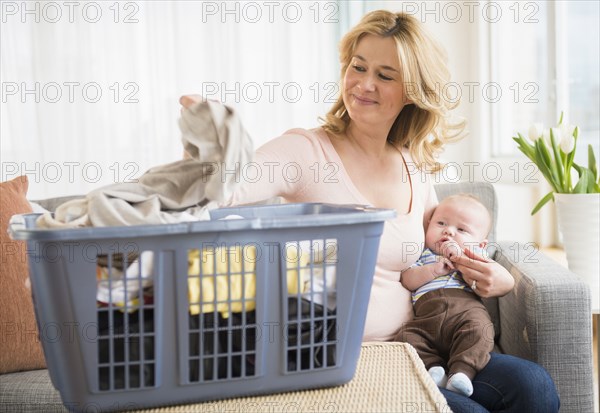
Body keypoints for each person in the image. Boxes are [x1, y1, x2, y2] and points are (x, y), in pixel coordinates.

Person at [180, 9, 559, 413]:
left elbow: (444, 244)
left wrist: (497, 276)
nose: (363, 84)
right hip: (345, 358)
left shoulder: (412, 162)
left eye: (385, 74)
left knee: (534, 387)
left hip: (419, 343)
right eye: (358, 67)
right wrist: (209, 143)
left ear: (412, 90)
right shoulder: (307, 151)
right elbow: (226, 188)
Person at [397, 194, 495, 397]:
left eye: (461, 230)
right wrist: (433, 270)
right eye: (441, 223)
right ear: (428, 225)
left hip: (466, 313)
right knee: (406, 338)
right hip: (427, 318)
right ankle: (434, 369)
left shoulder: (474, 258)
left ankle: (462, 372)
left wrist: (461, 259)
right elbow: (408, 279)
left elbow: (487, 280)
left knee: (481, 330)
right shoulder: (421, 253)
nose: (448, 231)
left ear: (481, 245)